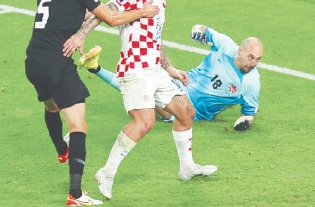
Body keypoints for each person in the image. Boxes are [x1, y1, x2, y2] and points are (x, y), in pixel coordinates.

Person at [24, 0, 158, 207]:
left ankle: (61, 151)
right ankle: (75, 194)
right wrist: (141, 12)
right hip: (58, 61)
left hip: (33, 61)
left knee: (51, 105)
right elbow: (110, 19)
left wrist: (91, 18)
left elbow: (79, 13)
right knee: (79, 127)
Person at [76, 0, 215, 200]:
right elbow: (102, 13)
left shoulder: (160, 3)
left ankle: (187, 167)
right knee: (144, 123)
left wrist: (170, 68)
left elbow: (155, 40)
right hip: (135, 69)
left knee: (186, 113)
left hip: (155, 70)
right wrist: (81, 35)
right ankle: (106, 172)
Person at [79, 24, 262, 131]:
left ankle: (96, 68)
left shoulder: (251, 83)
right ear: (240, 50)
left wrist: (244, 123)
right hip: (182, 80)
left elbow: (248, 113)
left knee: (145, 85)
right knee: (145, 71)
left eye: (258, 60)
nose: (253, 63)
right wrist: (197, 31)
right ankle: (95, 67)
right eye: (250, 57)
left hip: (188, 108)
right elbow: (202, 28)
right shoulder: (227, 46)